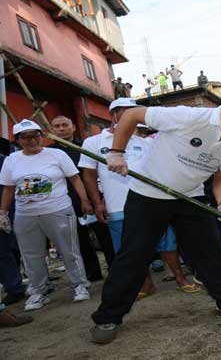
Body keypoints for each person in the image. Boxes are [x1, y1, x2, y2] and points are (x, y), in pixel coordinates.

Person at [90, 86, 221, 344]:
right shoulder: (188, 117)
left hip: (190, 197)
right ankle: (107, 318)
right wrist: (116, 152)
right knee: (134, 255)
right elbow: (131, 116)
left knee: (210, 253)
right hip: (148, 194)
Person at [79, 98, 200, 301]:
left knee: (167, 242)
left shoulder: (143, 142)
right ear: (113, 115)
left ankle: (180, 278)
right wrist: (98, 202)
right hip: (117, 204)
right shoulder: (93, 142)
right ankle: (146, 285)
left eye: (135, 112)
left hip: (151, 202)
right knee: (130, 248)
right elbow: (89, 174)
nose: (131, 116)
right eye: (126, 112)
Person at [0, 120, 92, 312]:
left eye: (35, 136)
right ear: (17, 141)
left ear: (41, 136)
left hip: (58, 209)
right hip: (26, 214)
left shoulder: (57, 154)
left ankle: (80, 284)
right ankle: (38, 291)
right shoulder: (11, 160)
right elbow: (8, 189)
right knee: (31, 255)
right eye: (25, 138)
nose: (31, 141)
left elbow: (75, 179)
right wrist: (3, 212)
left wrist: (84, 200)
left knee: (69, 249)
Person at [50, 115, 115, 281]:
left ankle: (115, 269)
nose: (61, 129)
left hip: (95, 196)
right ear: (52, 130)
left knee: (105, 235)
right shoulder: (50, 152)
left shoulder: (87, 146)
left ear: (73, 128)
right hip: (67, 201)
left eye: (65, 125)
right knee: (80, 240)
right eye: (57, 126)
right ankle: (93, 274)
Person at [0, 152, 26, 306]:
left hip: (6, 209)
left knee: (6, 251)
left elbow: (8, 187)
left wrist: (4, 211)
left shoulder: (3, 160)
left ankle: (14, 288)